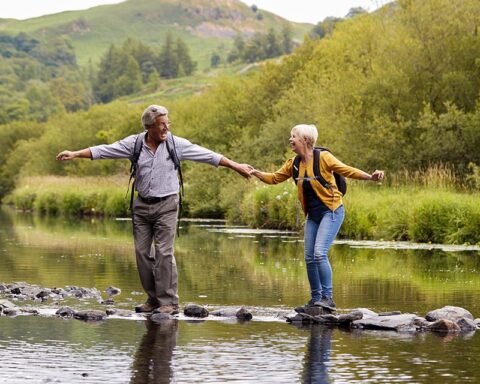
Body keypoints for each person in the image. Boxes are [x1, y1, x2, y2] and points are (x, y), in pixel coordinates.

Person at [56, 105, 252, 314]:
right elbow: (105, 150)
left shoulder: (176, 144)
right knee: (141, 252)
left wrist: (236, 166)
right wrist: (75, 154)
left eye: (168, 124)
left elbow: (207, 155)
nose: (166, 128)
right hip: (141, 205)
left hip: (167, 204)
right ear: (149, 127)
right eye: (162, 125)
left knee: (164, 252)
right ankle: (153, 299)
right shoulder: (135, 143)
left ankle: (169, 302)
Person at [250, 124, 384, 310]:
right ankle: (315, 300)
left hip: (332, 211)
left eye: (293, 136)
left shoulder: (324, 158)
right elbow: (274, 178)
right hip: (313, 216)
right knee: (309, 257)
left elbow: (347, 170)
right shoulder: (293, 164)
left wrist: (371, 177)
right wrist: (255, 173)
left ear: (305, 140)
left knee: (319, 253)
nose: (290, 140)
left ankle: (328, 298)